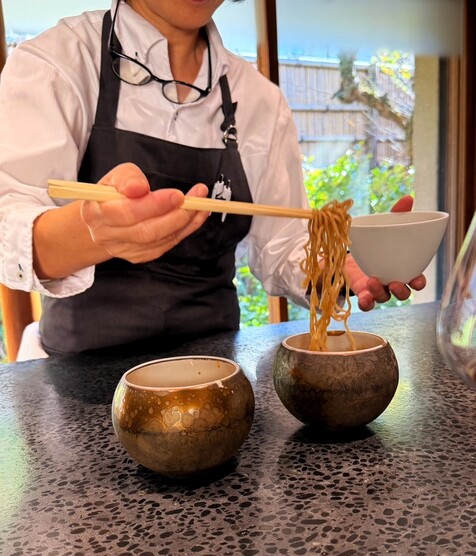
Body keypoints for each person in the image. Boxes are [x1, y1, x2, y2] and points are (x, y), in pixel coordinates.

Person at [0, 0, 425, 357]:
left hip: (215, 375)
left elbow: (282, 246)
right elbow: (8, 223)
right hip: (78, 381)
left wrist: (340, 267)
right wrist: (94, 231)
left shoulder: (258, 99)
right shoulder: (57, 62)